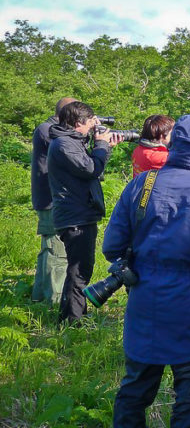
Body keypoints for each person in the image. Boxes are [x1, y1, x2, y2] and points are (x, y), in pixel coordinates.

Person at [105, 115, 190, 427]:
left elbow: (112, 247)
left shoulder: (142, 183)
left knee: (134, 390)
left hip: (144, 301)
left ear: (176, 144)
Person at [47, 100, 121, 324]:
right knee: (79, 271)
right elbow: (91, 169)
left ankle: (75, 314)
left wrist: (103, 147)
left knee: (81, 269)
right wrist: (101, 146)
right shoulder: (63, 145)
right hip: (75, 216)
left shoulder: (72, 142)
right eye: (90, 121)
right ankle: (72, 320)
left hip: (80, 213)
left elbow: (92, 169)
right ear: (79, 122)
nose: (93, 125)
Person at [30, 97, 77, 304]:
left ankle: (40, 297)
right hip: (51, 199)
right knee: (56, 251)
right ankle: (55, 301)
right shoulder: (47, 130)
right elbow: (69, 151)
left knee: (48, 249)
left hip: (51, 198)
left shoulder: (51, 128)